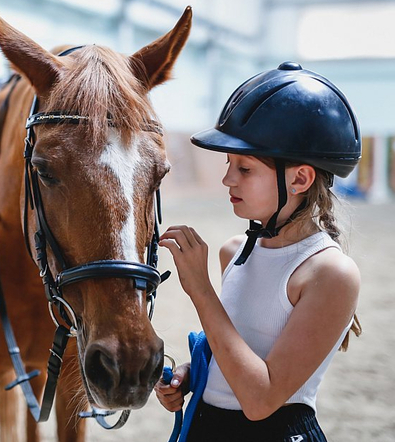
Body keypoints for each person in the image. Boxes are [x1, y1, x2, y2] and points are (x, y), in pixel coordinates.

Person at [154, 62, 362, 442]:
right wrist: (193, 373)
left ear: (299, 178)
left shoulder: (330, 273)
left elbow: (260, 399)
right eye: (228, 164)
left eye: (245, 169)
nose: (227, 179)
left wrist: (201, 291)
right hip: (206, 427)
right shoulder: (235, 251)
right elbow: (237, 351)